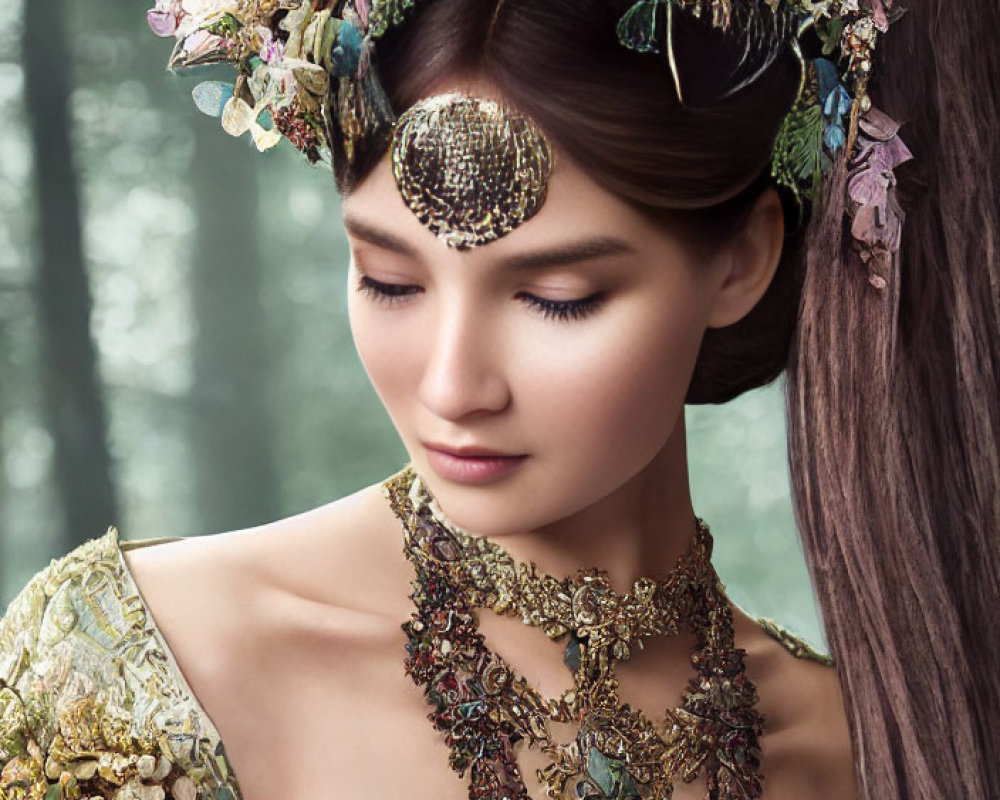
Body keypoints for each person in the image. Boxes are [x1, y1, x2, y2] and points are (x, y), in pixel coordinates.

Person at [1, 2, 997, 800]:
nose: (450, 386)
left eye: (555, 298)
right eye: (389, 279)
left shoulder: (863, 744)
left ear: (740, 261)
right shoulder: (146, 670)